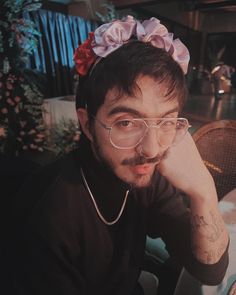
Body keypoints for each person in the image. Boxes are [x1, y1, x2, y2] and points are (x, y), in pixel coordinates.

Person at [2, 16, 229, 295]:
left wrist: (203, 190)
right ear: (87, 123)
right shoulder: (52, 213)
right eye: (126, 123)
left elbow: (209, 268)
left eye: (166, 121)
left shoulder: (146, 174)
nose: (152, 149)